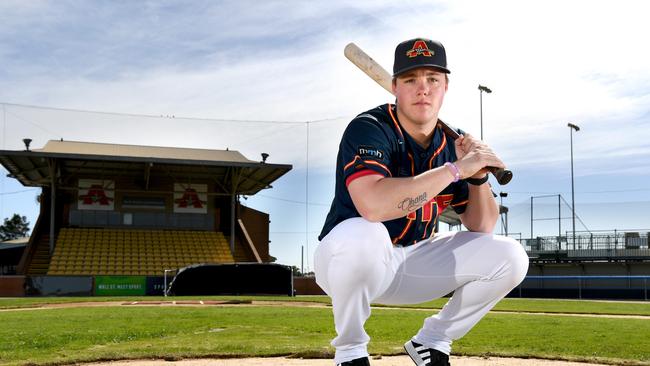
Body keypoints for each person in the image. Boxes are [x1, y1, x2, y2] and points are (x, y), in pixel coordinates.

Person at [314, 38, 529, 366]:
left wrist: (477, 175)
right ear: (395, 87)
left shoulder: (452, 144)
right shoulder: (370, 128)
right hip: (348, 260)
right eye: (411, 80)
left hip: (414, 260)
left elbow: (481, 226)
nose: (423, 89)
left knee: (510, 256)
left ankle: (433, 340)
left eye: (432, 79)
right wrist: (455, 169)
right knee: (365, 234)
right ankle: (351, 351)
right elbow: (372, 205)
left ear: (445, 87)